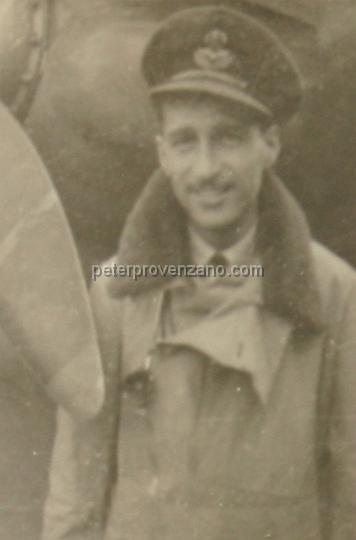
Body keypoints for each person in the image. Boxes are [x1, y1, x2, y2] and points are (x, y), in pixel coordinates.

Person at [42, 6, 356, 540]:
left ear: (270, 144)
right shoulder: (118, 294)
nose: (206, 169)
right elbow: (76, 493)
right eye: (186, 142)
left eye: (229, 138)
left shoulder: (335, 297)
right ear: (162, 153)